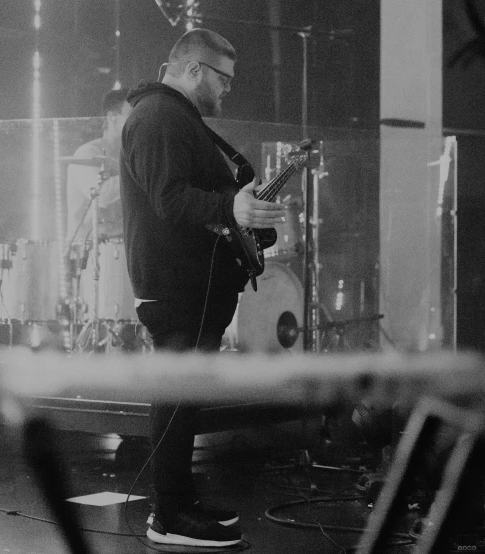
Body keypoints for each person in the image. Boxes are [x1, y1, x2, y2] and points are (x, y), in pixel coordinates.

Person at [120, 29, 285, 547]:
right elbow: (169, 199)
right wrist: (229, 208)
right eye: (223, 79)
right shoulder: (158, 117)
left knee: (184, 396)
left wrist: (242, 215)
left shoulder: (172, 117)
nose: (228, 90)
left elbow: (191, 195)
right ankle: (169, 518)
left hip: (192, 282)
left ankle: (178, 503)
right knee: (176, 396)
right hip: (176, 285)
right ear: (194, 70)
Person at [66, 89, 131, 246]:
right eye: (132, 115)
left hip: (126, 245)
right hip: (88, 248)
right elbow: (103, 195)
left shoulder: (132, 154)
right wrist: (138, 174)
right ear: (112, 117)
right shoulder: (87, 153)